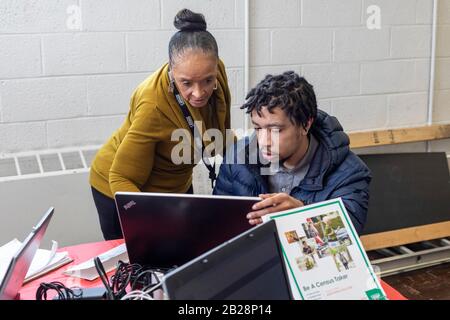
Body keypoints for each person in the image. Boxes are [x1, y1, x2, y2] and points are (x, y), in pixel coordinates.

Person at [90, 9, 232, 240]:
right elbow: (121, 177)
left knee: (186, 250)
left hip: (175, 182)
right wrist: (149, 221)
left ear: (216, 66)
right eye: (186, 83)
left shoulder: (217, 70)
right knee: (138, 266)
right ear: (171, 70)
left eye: (208, 80)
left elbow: (218, 133)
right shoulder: (153, 105)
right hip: (121, 187)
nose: (199, 93)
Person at [213, 71, 371, 234]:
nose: (264, 141)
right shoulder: (237, 158)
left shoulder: (350, 173)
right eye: (258, 128)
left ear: (305, 125)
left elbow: (347, 235)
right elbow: (216, 222)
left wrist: (302, 213)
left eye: (276, 130)